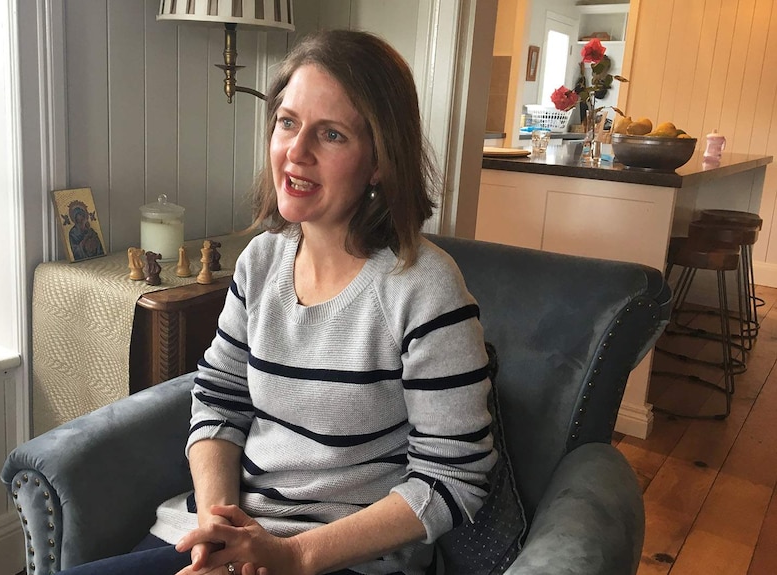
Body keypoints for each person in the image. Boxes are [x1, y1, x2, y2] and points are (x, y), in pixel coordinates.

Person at [57, 29, 496, 575]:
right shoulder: (259, 261)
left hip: (342, 557)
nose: (295, 152)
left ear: (380, 160)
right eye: (287, 123)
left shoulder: (424, 288)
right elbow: (219, 399)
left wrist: (292, 555)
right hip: (232, 531)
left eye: (331, 134)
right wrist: (220, 530)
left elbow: (454, 477)